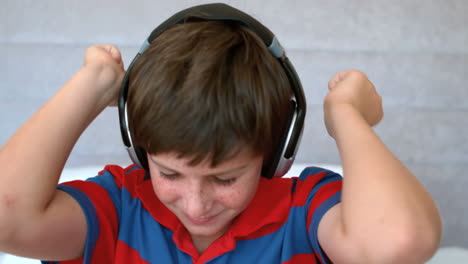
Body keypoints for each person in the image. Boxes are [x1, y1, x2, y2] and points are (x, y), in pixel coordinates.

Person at [0, 4, 441, 264]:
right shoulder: (118, 209)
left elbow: (398, 241)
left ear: (276, 152)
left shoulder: (305, 213)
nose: (196, 204)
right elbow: (7, 215)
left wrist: (346, 114)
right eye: (170, 174)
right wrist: (93, 83)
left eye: (225, 178)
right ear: (139, 147)